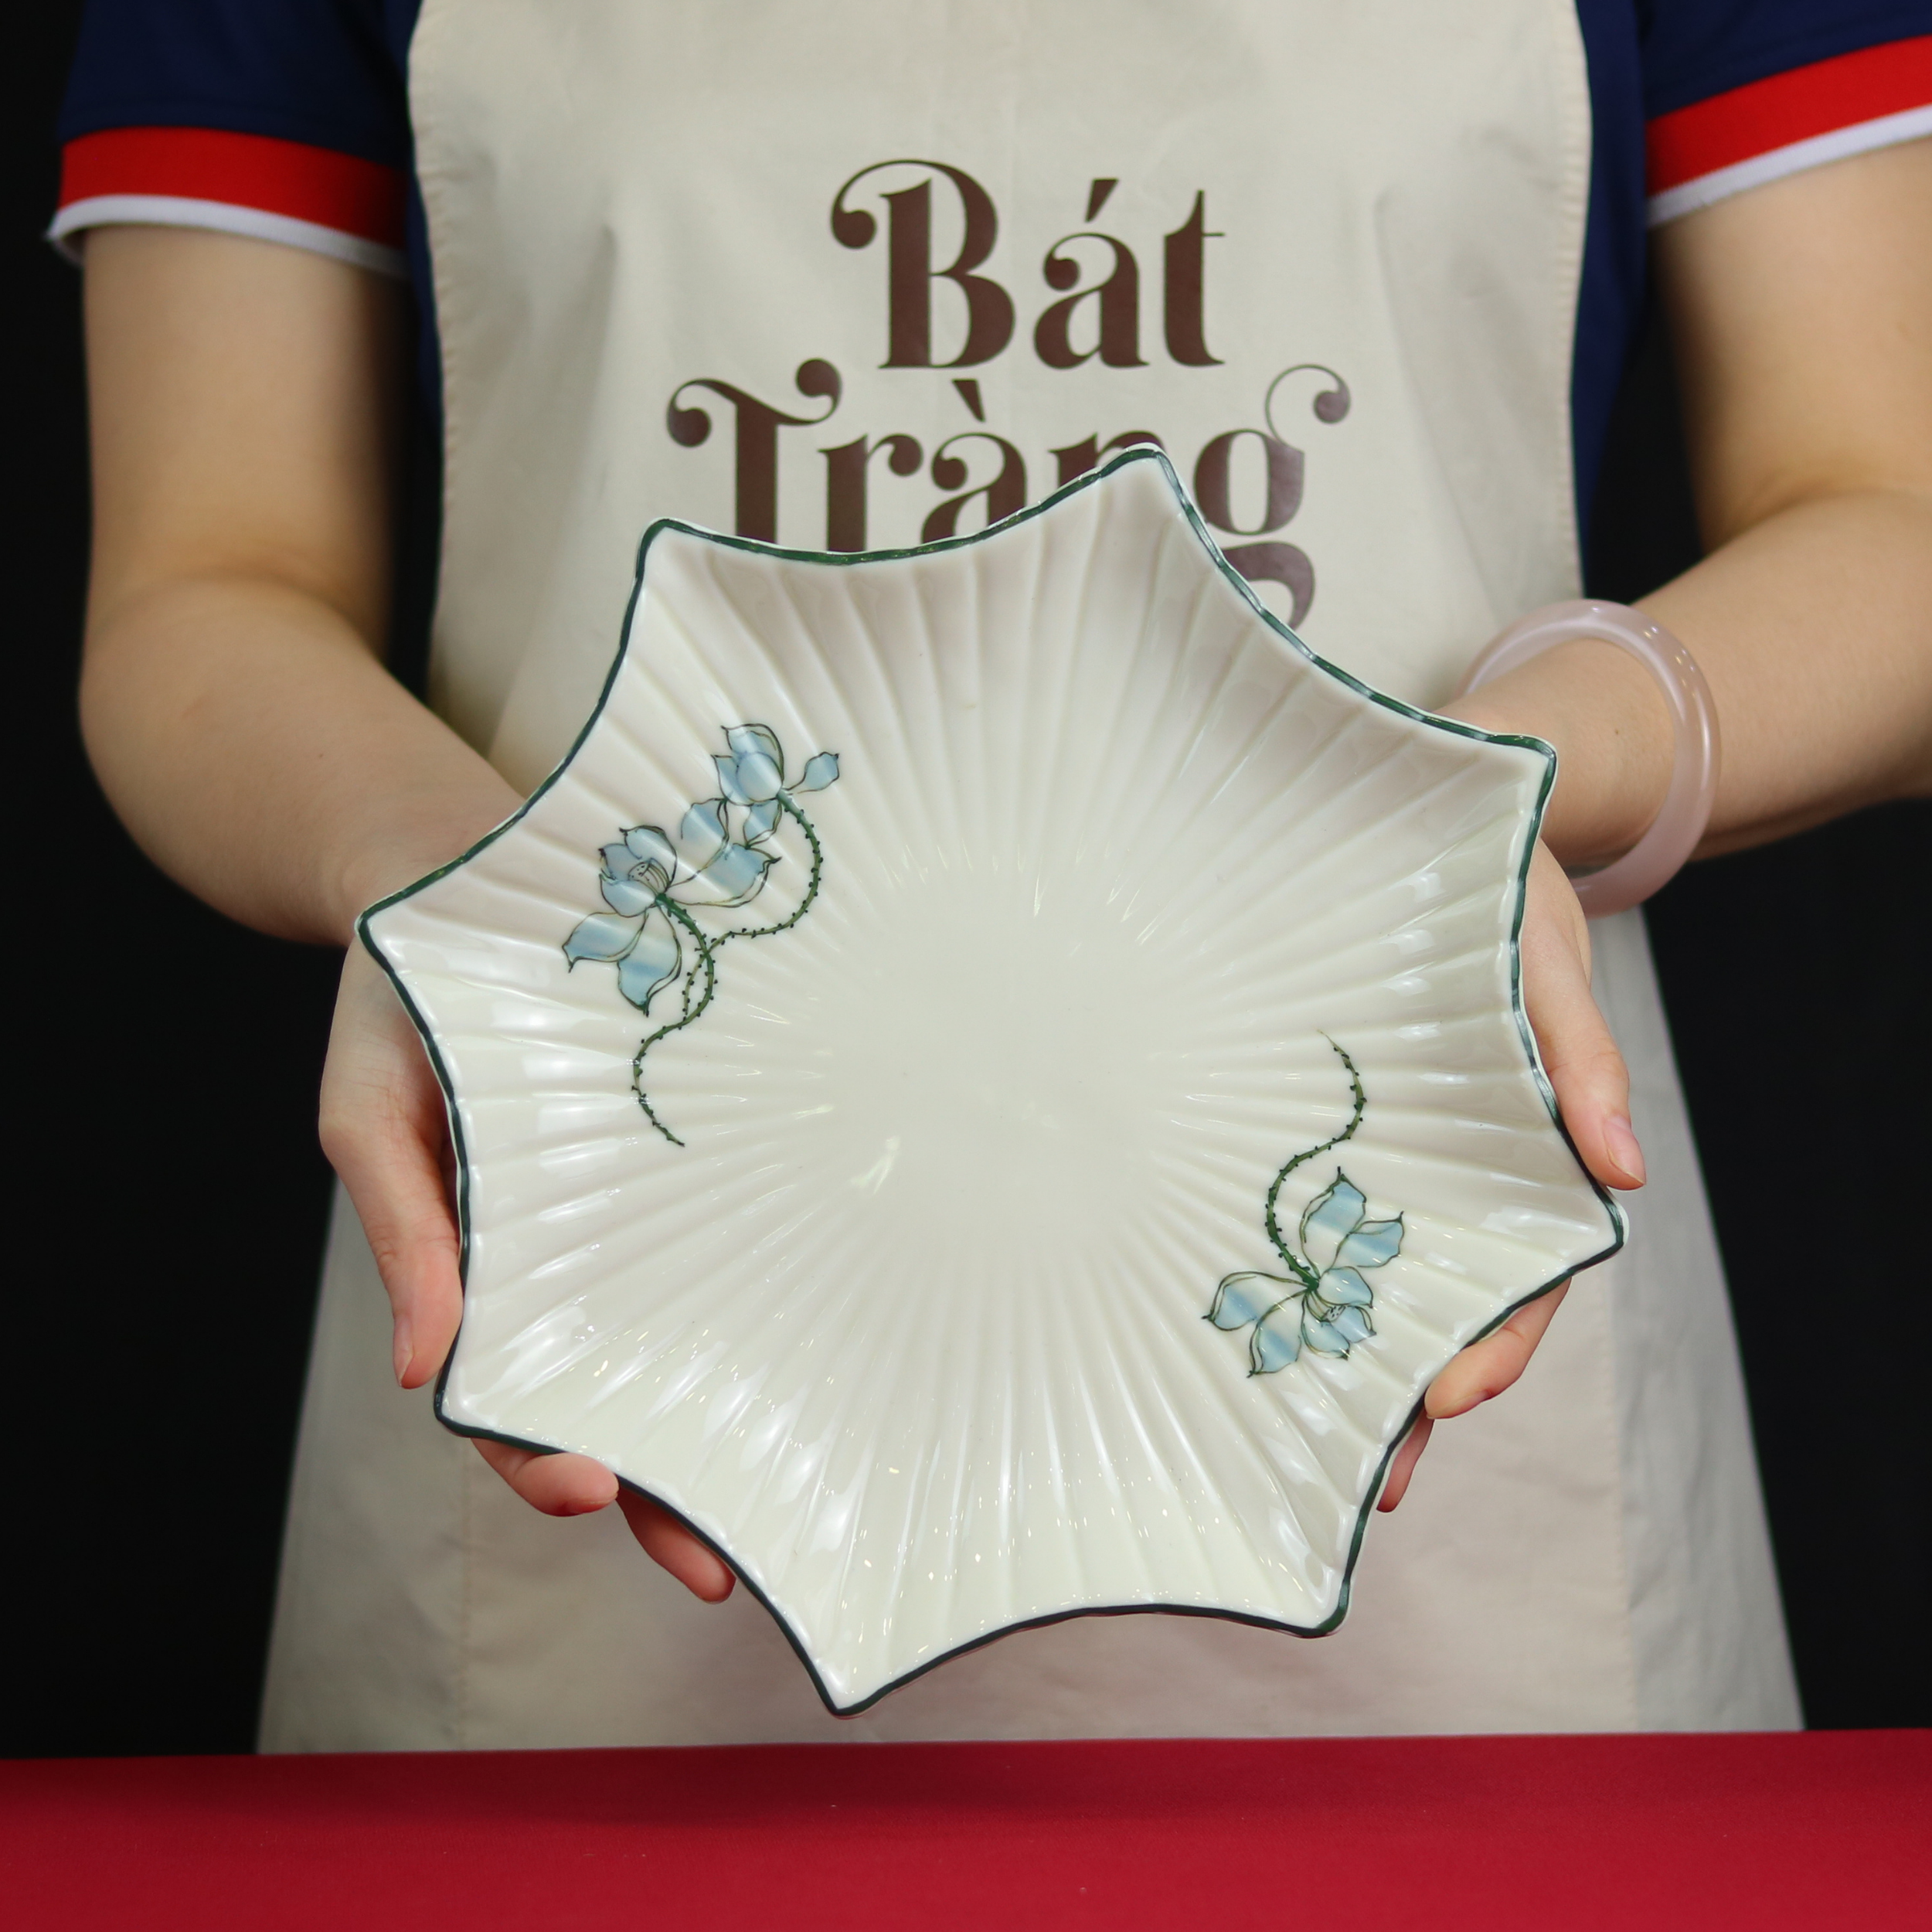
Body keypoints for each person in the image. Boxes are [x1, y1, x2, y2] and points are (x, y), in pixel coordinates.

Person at [56, 2, 1930, 1748]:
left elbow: (1884, 520)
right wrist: (441, 894)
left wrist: (1494, 787)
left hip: (1440, 1352)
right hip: (581, 1321)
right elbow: (207, 579)